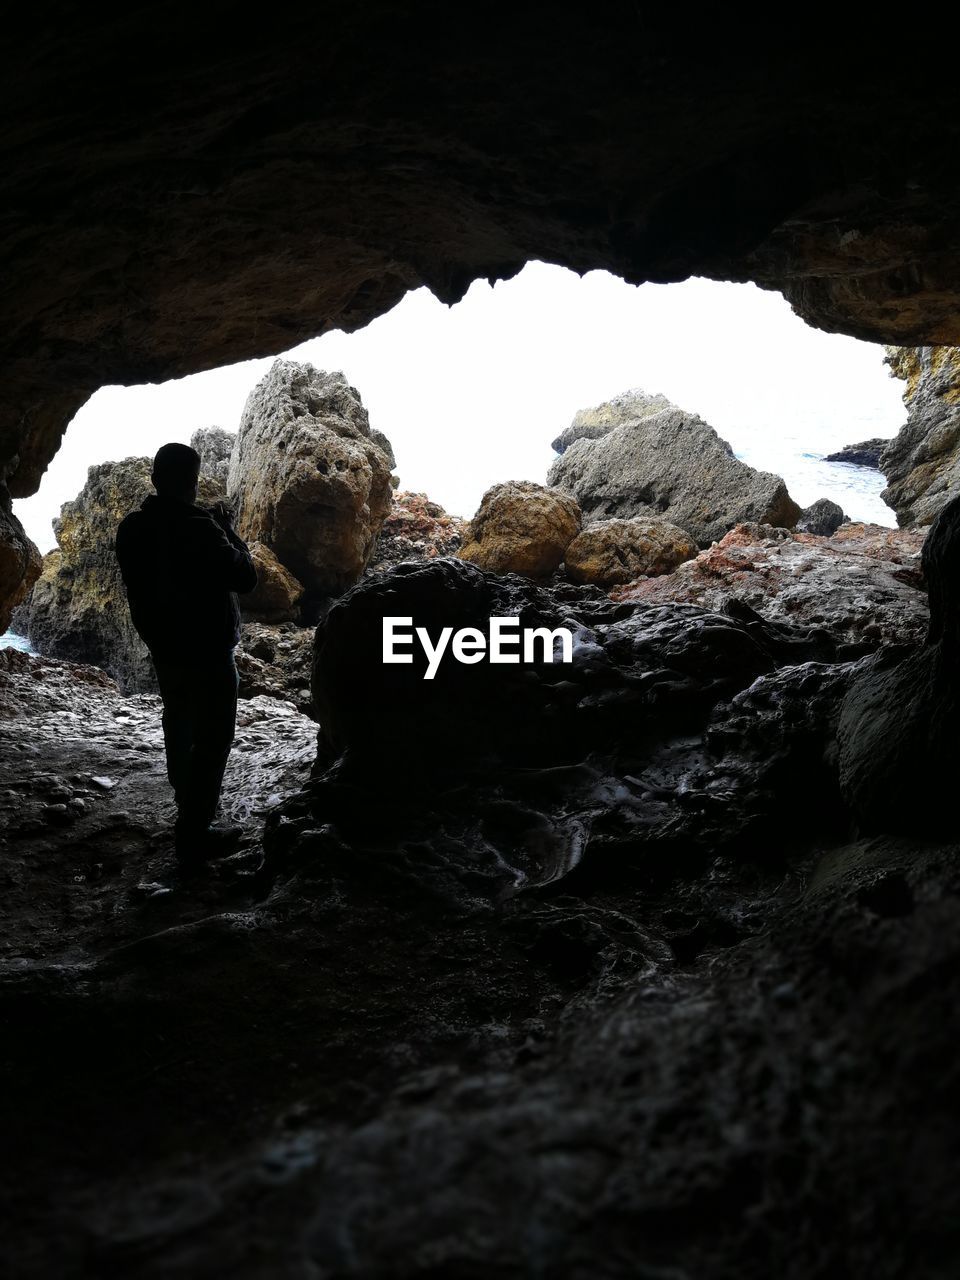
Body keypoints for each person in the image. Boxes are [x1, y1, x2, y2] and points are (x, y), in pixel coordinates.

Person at [115, 442, 258, 865]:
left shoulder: (133, 527)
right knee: (213, 739)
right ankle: (194, 832)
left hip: (165, 647)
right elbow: (246, 577)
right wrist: (227, 529)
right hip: (209, 651)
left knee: (178, 724)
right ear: (192, 483)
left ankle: (186, 809)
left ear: (156, 478)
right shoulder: (200, 527)